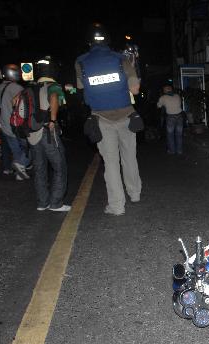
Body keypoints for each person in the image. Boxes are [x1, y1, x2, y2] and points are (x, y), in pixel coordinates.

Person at [76, 23, 142, 216]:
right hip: (126, 115)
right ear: (108, 40)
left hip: (101, 118)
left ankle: (117, 206)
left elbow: (81, 86)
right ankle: (135, 193)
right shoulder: (121, 59)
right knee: (129, 157)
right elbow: (135, 89)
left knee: (111, 163)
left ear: (89, 41)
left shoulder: (81, 61)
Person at [26, 56, 70, 212]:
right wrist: (52, 120)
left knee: (39, 168)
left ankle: (42, 202)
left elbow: (14, 102)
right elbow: (54, 98)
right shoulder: (53, 86)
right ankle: (56, 203)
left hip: (31, 133)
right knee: (59, 166)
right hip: (47, 131)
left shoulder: (30, 87)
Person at [0, 64, 30, 180]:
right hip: (18, 124)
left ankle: (20, 173)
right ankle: (22, 165)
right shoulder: (18, 88)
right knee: (31, 147)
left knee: (16, 149)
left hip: (5, 125)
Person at [157, 84, 184, 154]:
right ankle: (179, 150)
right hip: (180, 116)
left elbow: (158, 106)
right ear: (171, 89)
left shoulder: (163, 97)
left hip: (170, 117)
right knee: (179, 134)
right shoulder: (177, 96)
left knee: (170, 135)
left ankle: (172, 150)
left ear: (165, 90)